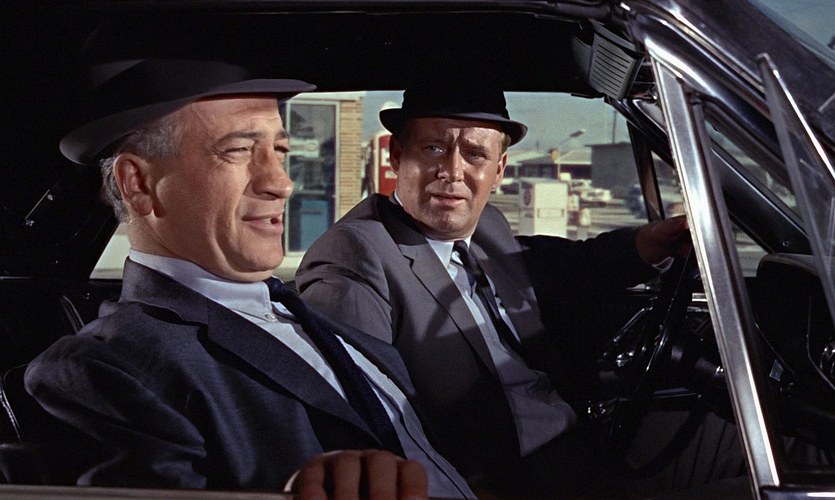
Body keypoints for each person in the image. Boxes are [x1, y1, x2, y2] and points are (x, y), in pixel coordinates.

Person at [23, 60, 475, 499]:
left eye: (279, 151)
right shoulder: (108, 369)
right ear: (138, 183)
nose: (281, 183)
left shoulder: (321, 323)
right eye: (238, 151)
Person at [294, 85, 692, 497]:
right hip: (500, 481)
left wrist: (652, 242)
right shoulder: (357, 254)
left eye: (474, 154)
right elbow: (357, 413)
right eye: (433, 148)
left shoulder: (487, 228)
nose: (452, 171)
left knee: (729, 439)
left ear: (498, 170)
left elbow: (567, 263)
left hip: (582, 445)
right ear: (397, 155)